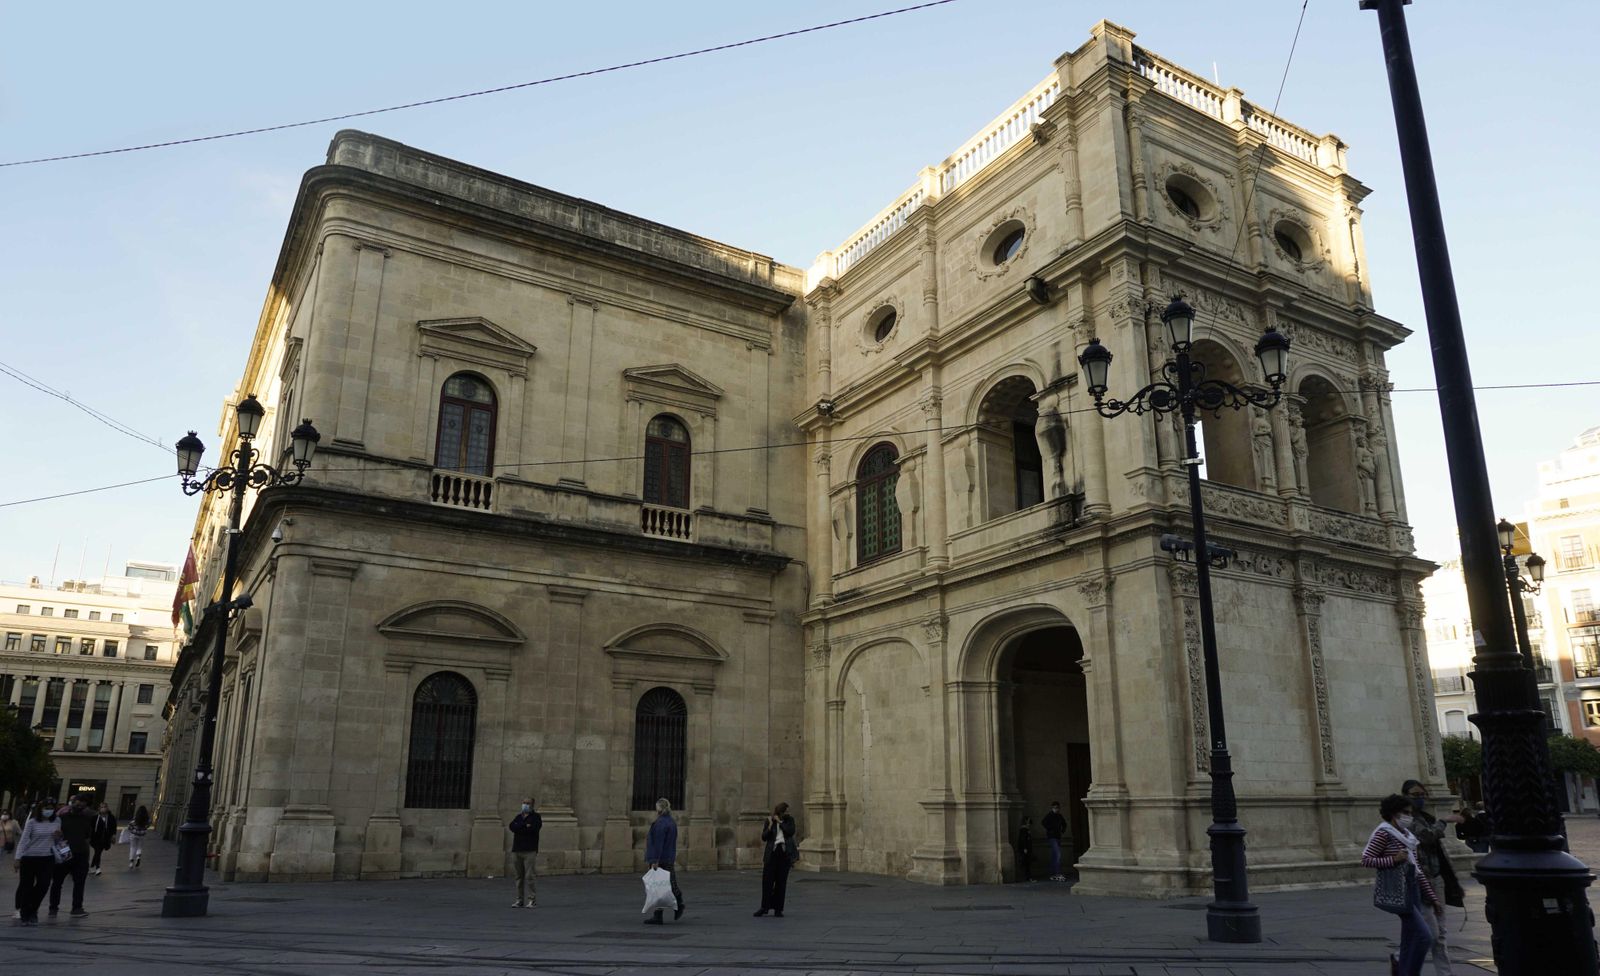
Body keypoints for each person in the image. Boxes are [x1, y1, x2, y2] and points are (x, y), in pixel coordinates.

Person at [1363, 793, 1442, 976]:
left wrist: (1432, 897)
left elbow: (1417, 870)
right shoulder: (1384, 833)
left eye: (1411, 813)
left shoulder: (1406, 835)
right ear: (1393, 813)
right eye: (1405, 812)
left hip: (1412, 888)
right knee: (1424, 937)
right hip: (1398, 890)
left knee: (1409, 938)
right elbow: (1366, 859)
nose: (1409, 816)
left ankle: (1402, 969)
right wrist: (1393, 859)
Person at [1402, 779, 1463, 976]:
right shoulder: (1406, 820)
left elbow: (1438, 851)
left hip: (1436, 878)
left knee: (1441, 933)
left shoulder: (1426, 817)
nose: (1420, 799)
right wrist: (1444, 821)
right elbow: (1426, 837)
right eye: (1415, 795)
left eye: (1422, 795)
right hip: (1420, 881)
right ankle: (1400, 957)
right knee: (1431, 934)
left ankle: (1445, 973)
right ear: (1405, 796)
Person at [12, 801, 60, 926]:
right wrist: (18, 858)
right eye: (46, 808)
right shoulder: (32, 822)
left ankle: (33, 909)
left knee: (43, 885)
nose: (48, 811)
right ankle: (25, 914)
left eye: (51, 808)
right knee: (26, 886)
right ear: (40, 809)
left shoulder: (57, 821)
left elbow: (57, 840)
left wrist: (58, 836)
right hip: (29, 857)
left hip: (47, 858)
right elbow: (23, 840)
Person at [48, 795, 93, 917]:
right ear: (72, 803)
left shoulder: (87, 819)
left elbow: (87, 837)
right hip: (64, 853)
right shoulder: (61, 818)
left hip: (81, 854)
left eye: (82, 803)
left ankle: (77, 907)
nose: (79, 805)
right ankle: (53, 908)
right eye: (77, 803)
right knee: (57, 882)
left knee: (79, 882)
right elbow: (54, 835)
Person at [643, 797, 684, 925]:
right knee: (664, 885)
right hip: (669, 856)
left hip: (661, 858)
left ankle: (678, 904)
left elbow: (658, 843)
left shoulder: (660, 823)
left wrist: (655, 860)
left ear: (659, 808)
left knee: (660, 886)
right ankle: (659, 914)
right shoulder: (671, 822)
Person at [754, 802, 797, 917]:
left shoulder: (790, 820)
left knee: (781, 882)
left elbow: (790, 831)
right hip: (772, 854)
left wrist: (780, 822)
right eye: (786, 811)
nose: (788, 813)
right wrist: (769, 826)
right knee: (767, 881)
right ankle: (764, 907)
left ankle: (778, 909)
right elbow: (764, 837)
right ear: (780, 812)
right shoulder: (769, 820)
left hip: (784, 853)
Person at [508, 796, 542, 908]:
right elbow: (512, 826)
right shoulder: (518, 817)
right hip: (517, 849)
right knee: (518, 876)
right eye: (524, 802)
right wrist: (524, 826)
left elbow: (533, 829)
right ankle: (519, 899)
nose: (525, 805)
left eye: (527, 803)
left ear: (532, 805)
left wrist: (520, 827)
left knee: (529, 876)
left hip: (530, 850)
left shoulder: (536, 817)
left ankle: (532, 899)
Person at [88, 803, 118, 876]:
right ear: (99, 808)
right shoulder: (95, 818)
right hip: (95, 839)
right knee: (98, 851)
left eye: (105, 807)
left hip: (105, 839)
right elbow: (90, 827)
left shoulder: (111, 817)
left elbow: (114, 827)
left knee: (98, 852)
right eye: (101, 807)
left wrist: (113, 835)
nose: (103, 808)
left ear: (107, 808)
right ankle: (98, 868)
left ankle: (92, 866)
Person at [1041, 801, 1067, 882]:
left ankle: (1053, 873)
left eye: (1057, 808)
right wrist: (1050, 829)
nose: (1056, 809)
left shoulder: (1059, 816)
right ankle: (1057, 873)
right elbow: (1043, 822)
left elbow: (1064, 823)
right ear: (1052, 808)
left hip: (1057, 836)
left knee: (1054, 855)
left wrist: (1062, 830)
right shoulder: (1050, 815)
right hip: (1052, 837)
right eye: (1055, 808)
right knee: (1057, 854)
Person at [1016, 817, 1034, 882]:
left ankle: (1027, 877)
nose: (1029, 824)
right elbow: (1023, 840)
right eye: (1028, 822)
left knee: (1026, 864)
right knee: (1026, 864)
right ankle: (1028, 877)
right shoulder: (1024, 830)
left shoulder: (1024, 830)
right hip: (1025, 849)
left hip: (1025, 849)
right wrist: (1025, 848)